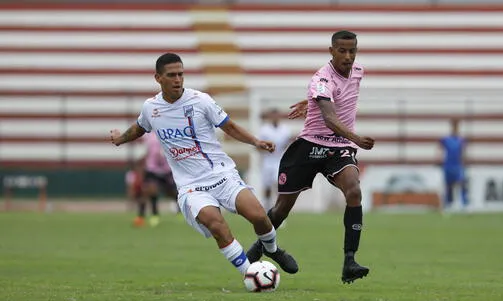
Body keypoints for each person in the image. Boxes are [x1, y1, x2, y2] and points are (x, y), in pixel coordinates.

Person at [109, 53, 298, 276]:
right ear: (158, 78)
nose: (178, 79)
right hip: (191, 186)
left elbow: (230, 126)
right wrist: (121, 138)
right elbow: (140, 127)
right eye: (171, 75)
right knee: (217, 225)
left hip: (221, 174)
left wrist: (255, 141)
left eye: (180, 74)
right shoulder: (151, 108)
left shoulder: (201, 100)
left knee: (259, 216)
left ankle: (273, 250)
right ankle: (251, 274)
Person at [246, 30, 376, 284]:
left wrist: (310, 103)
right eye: (342, 50)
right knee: (282, 209)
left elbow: (336, 100)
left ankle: (350, 260)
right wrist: (357, 138)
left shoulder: (358, 71)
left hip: (339, 148)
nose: (348, 56)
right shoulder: (321, 79)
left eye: (352, 50)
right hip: (309, 146)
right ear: (331, 51)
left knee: (354, 191)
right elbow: (329, 118)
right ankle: (259, 248)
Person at [141, 131, 179, 227]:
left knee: (171, 192)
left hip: (166, 169)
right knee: (151, 190)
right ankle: (154, 215)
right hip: (152, 168)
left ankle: (180, 210)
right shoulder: (148, 135)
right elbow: (148, 150)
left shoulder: (168, 132)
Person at [258, 108, 292, 208]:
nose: (275, 118)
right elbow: (258, 147)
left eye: (277, 115)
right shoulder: (264, 129)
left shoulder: (285, 129)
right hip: (267, 161)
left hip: (280, 160)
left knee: (279, 185)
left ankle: (279, 209)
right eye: (273, 116)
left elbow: (288, 144)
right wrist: (267, 149)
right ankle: (267, 208)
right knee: (267, 186)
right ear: (270, 117)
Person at [439, 118, 469, 212]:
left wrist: (464, 162)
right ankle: (448, 204)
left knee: (462, 183)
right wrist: (440, 160)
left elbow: (463, 152)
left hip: (458, 166)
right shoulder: (446, 140)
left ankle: (464, 204)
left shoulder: (461, 140)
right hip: (448, 165)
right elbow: (439, 150)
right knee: (448, 185)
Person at [125, 159, 146, 227]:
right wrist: (131, 195)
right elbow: (130, 185)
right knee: (141, 202)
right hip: (135, 190)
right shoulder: (130, 174)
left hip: (141, 190)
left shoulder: (142, 173)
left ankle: (140, 218)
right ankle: (140, 218)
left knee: (142, 202)